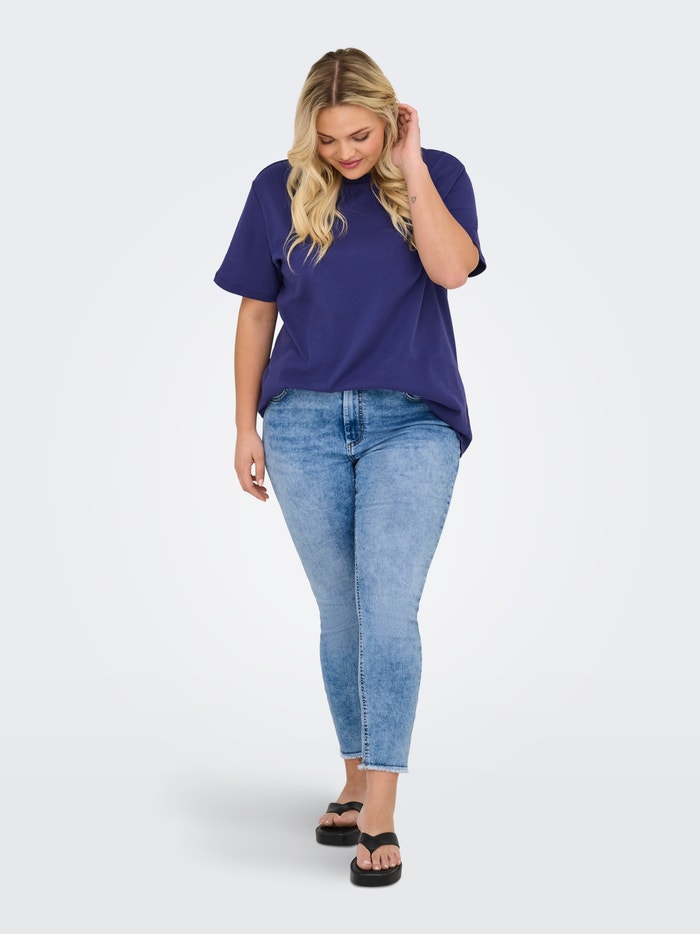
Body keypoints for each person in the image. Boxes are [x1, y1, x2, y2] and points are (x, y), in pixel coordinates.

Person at [214, 47, 486, 887]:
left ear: (389, 118)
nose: (344, 153)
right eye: (328, 139)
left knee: (388, 608)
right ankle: (353, 776)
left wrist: (411, 166)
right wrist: (243, 426)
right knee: (342, 612)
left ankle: (381, 811)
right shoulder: (278, 189)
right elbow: (255, 314)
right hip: (301, 423)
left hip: (413, 420)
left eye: (360, 136)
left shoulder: (437, 175)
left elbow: (452, 270)